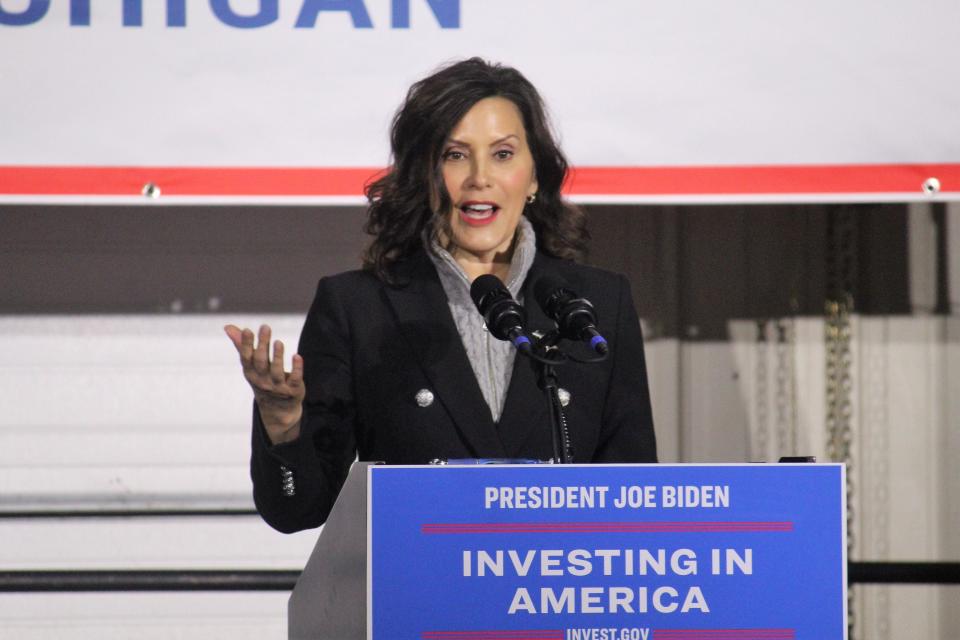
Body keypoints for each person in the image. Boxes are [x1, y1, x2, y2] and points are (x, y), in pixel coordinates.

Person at [225, 58, 657, 534]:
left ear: (534, 176)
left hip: (554, 594)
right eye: (455, 154)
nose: (479, 177)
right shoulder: (357, 307)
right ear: (423, 174)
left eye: (503, 154)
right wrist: (283, 423)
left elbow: (633, 500)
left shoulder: (596, 305)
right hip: (422, 597)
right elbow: (298, 510)